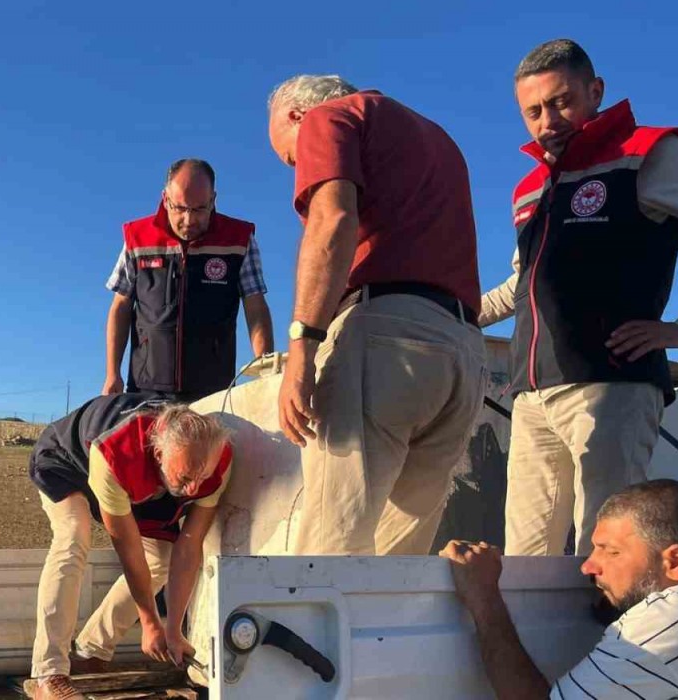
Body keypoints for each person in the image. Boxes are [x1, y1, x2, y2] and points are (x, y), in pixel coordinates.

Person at [480, 39, 678, 557]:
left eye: (562, 101)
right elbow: (521, 284)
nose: (548, 121)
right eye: (533, 111)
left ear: (595, 91)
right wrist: (451, 308)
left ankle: (613, 618)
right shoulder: (532, 187)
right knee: (524, 560)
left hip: (611, 384)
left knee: (606, 552)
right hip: (531, 396)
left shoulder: (646, 154)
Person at [266, 74, 485, 555]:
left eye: (291, 159)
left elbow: (332, 222)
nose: (298, 170)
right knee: (398, 563)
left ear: (297, 116)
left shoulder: (331, 118)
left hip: (386, 342)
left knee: (328, 555)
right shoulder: (439, 140)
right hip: (463, 353)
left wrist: (301, 351)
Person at [442, 479, 678, 699]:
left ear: (675, 562)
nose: (587, 566)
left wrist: (483, 597)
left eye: (611, 552)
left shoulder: (665, 622)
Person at [27, 394, 232, 700]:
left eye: (201, 477)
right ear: (159, 453)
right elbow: (129, 551)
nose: (193, 489)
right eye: (186, 477)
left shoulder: (218, 463)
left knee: (161, 559)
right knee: (73, 536)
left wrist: (173, 630)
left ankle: (91, 650)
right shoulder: (116, 452)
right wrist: (149, 622)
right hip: (65, 461)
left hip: (139, 478)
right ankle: (49, 673)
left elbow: (189, 548)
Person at [103, 158, 274, 402]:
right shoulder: (137, 239)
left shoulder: (239, 240)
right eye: (180, 208)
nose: (189, 219)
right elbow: (120, 306)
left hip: (213, 392)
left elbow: (255, 305)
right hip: (146, 390)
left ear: (213, 200)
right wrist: (112, 372)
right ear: (165, 199)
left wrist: (265, 367)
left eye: (199, 209)